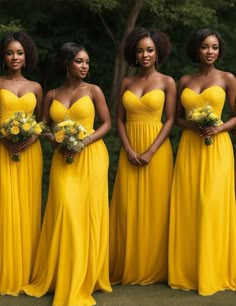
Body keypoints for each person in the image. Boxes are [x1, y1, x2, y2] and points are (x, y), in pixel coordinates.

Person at [23, 42, 112, 305]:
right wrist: (57, 139)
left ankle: (84, 278)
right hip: (64, 159)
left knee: (87, 216)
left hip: (92, 156)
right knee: (65, 211)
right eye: (79, 61)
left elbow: (107, 123)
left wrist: (84, 141)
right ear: (66, 63)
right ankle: (62, 275)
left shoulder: (94, 91)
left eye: (87, 62)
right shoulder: (51, 95)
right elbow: (42, 127)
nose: (85, 66)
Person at [168, 28, 236, 295]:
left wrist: (218, 128)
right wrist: (193, 126)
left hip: (217, 148)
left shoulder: (228, 78)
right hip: (190, 146)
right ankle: (189, 271)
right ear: (196, 49)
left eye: (215, 47)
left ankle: (214, 271)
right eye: (206, 47)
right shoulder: (184, 80)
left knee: (210, 205)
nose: (210, 52)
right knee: (190, 206)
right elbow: (176, 118)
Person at [109, 27, 176, 285]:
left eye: (149, 49)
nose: (145, 54)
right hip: (130, 148)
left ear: (158, 51)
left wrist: (150, 151)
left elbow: (170, 119)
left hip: (156, 149)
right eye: (140, 50)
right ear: (133, 54)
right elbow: (119, 119)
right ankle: (128, 266)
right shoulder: (127, 82)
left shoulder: (168, 82)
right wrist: (127, 149)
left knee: (156, 208)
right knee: (128, 207)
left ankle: (154, 268)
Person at [0, 31, 43, 295]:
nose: (14, 57)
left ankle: (26, 270)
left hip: (29, 155)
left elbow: (41, 123)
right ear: (3, 56)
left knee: (27, 208)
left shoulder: (36, 87)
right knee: (4, 207)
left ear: (26, 57)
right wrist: (4, 139)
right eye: (9, 52)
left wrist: (30, 139)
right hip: (2, 151)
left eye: (19, 53)